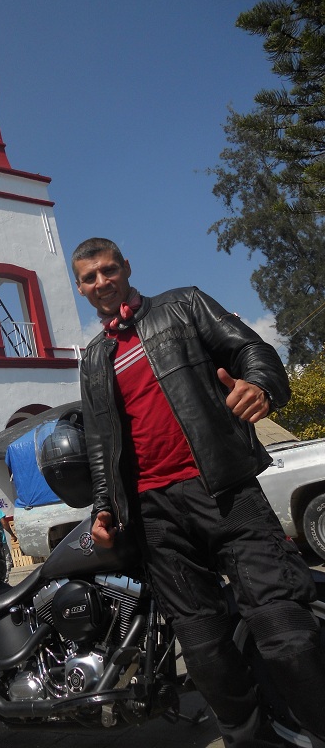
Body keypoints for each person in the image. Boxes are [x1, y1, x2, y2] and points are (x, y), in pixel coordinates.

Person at [72, 237, 325, 748]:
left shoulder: (183, 306)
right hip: (153, 516)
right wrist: (104, 506)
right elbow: (100, 443)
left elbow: (251, 349)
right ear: (80, 288)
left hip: (225, 491)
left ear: (126, 267)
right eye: (89, 277)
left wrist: (261, 385)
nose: (102, 282)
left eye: (108, 270)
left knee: (283, 626)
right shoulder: (94, 358)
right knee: (205, 647)